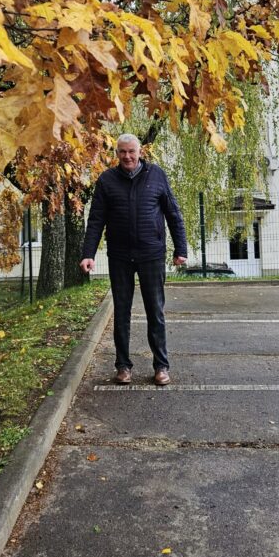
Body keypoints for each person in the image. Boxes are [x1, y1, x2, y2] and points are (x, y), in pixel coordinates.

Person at [80, 134, 188, 385]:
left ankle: (161, 366)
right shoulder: (106, 180)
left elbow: (173, 214)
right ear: (116, 153)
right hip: (120, 256)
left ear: (140, 152)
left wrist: (180, 249)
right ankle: (123, 366)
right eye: (122, 152)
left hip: (152, 254)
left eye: (131, 151)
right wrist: (88, 254)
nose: (127, 156)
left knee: (155, 311)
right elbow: (96, 220)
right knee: (121, 312)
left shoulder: (157, 175)